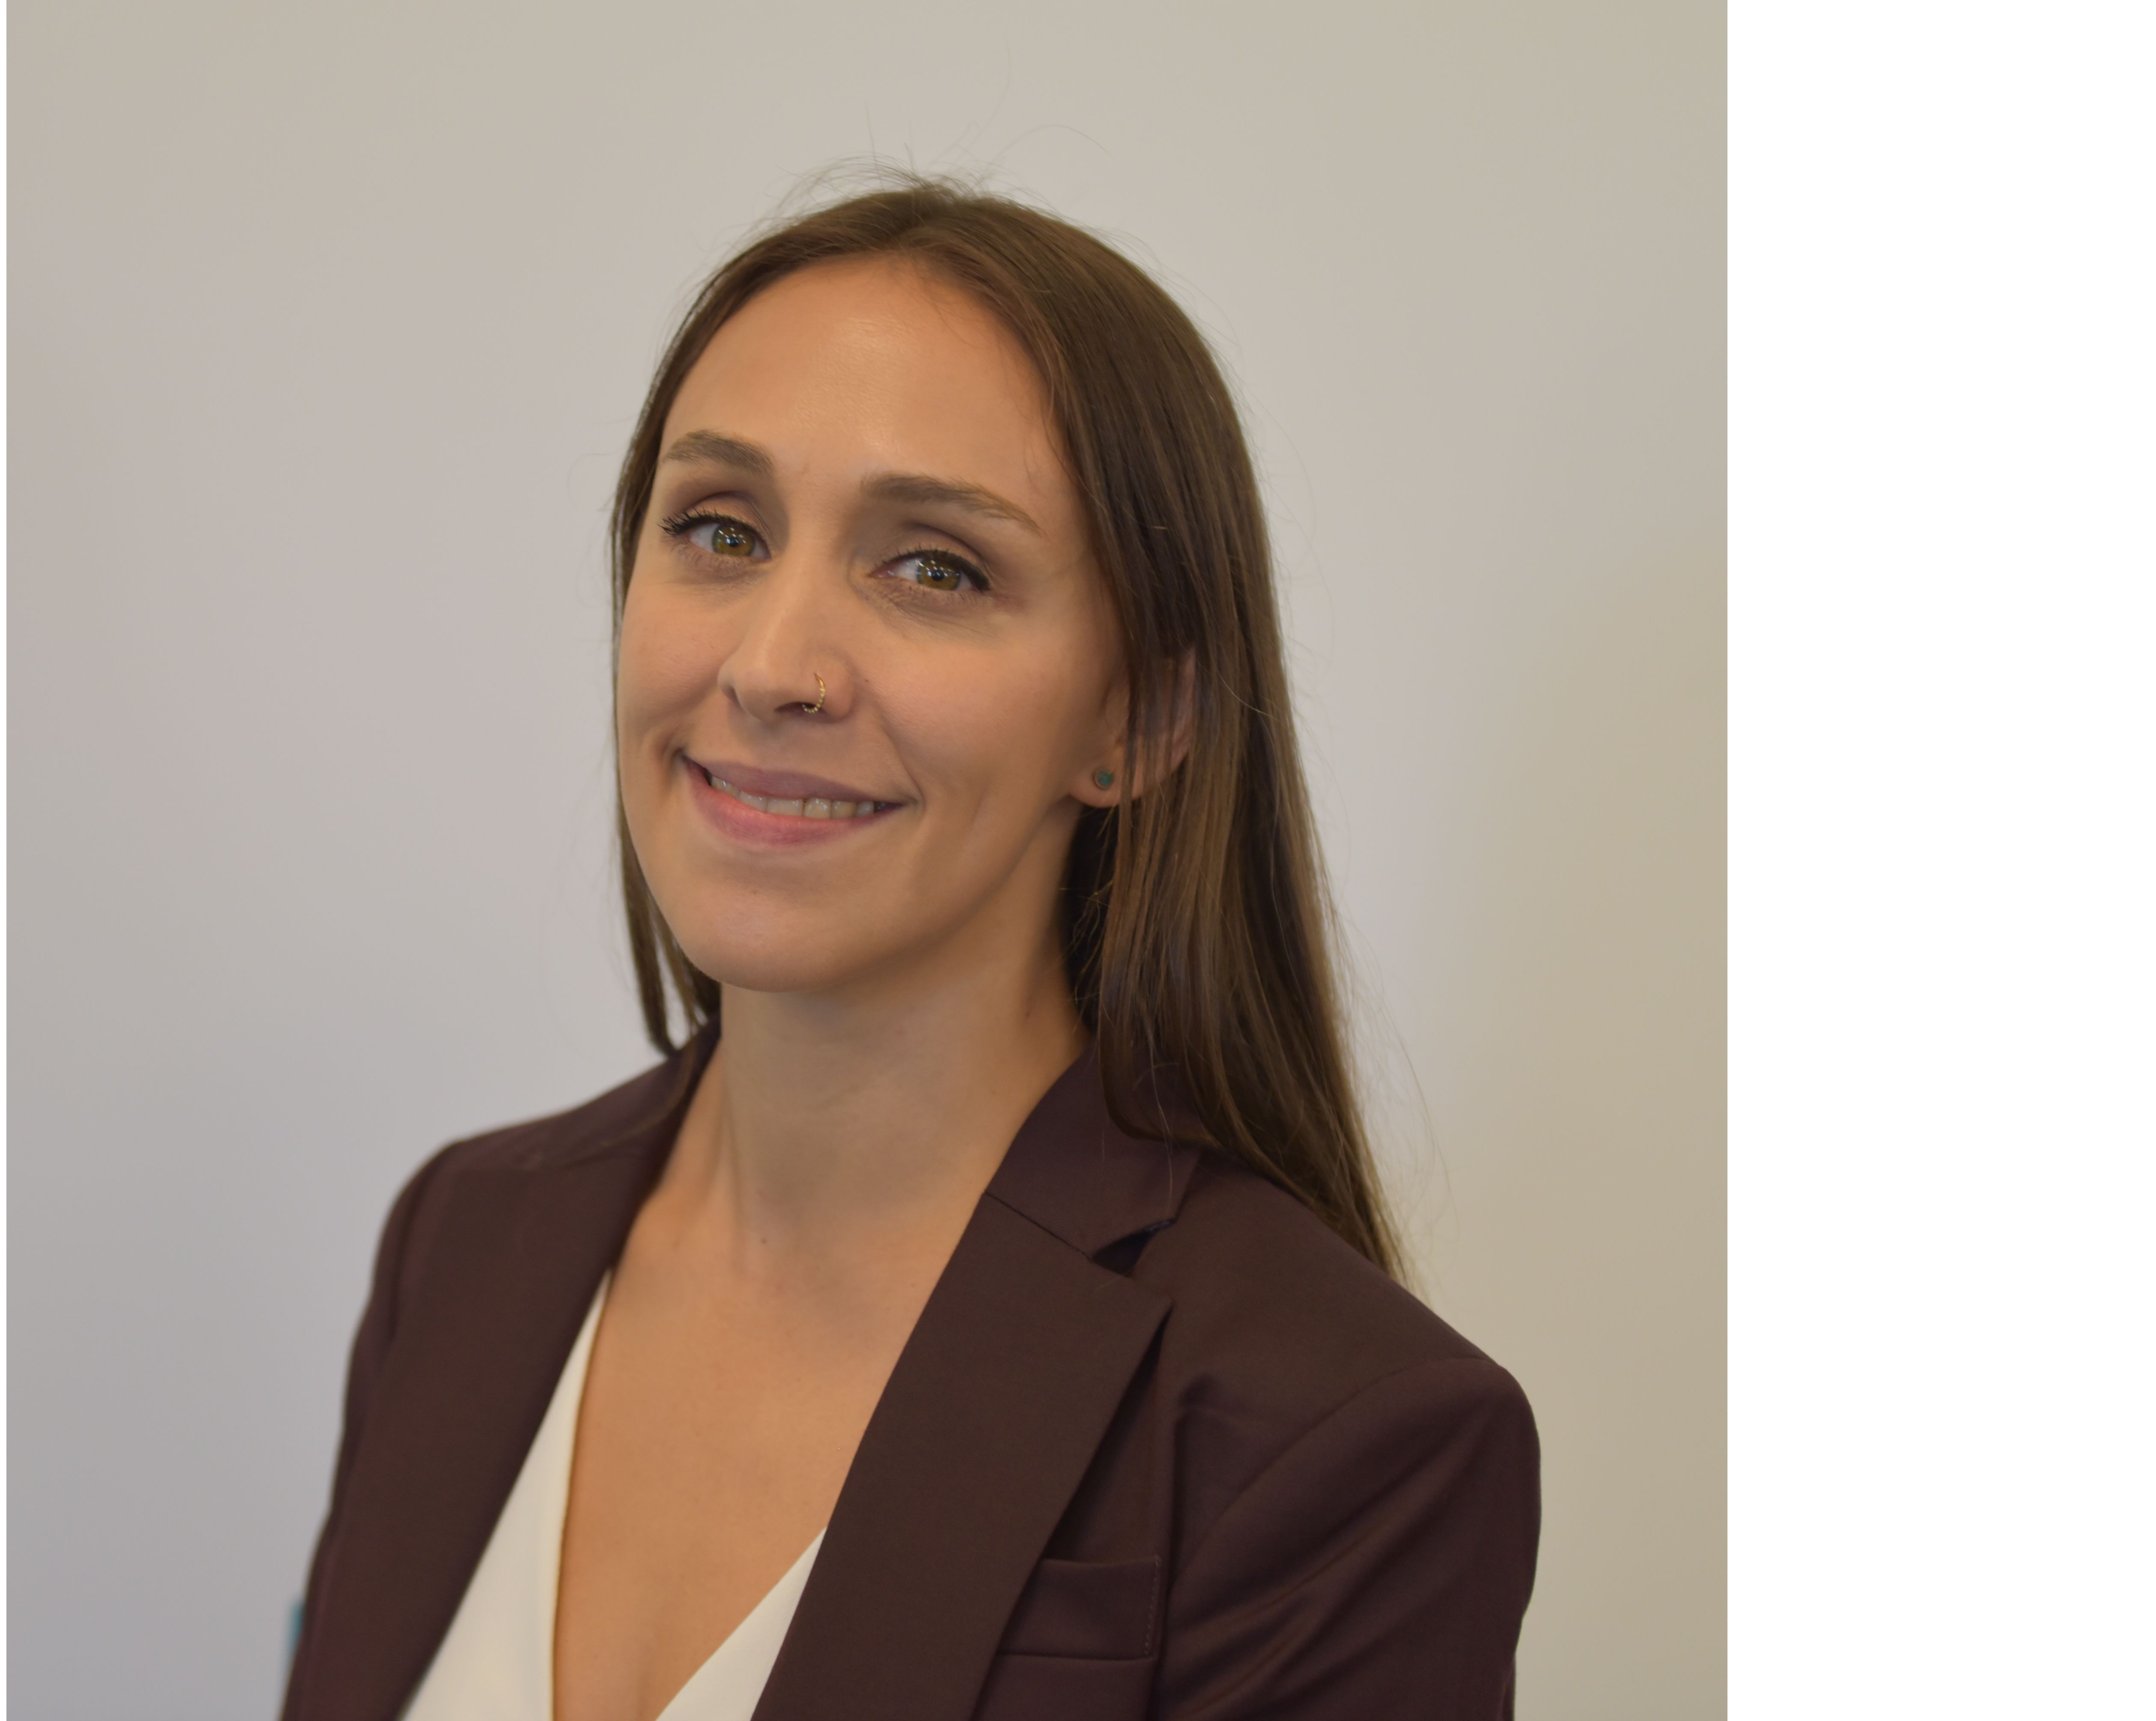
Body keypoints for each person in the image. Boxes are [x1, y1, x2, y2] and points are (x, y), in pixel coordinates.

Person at [279, 177, 1539, 1721]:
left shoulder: (1342, 1440)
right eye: (719, 530)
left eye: (935, 566)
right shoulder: (466, 1241)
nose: (771, 664)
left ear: (1142, 716)